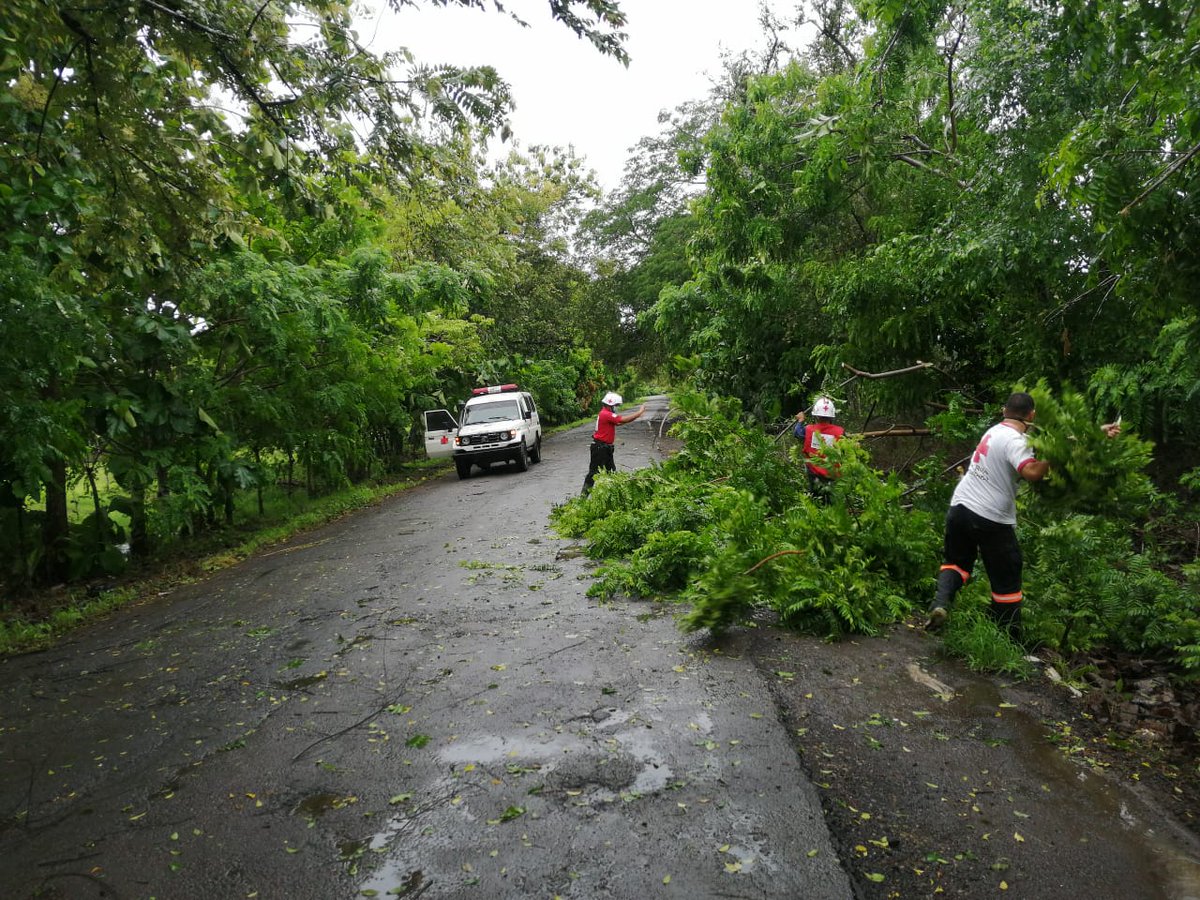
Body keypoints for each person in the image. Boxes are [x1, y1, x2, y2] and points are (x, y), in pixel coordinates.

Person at [925, 391, 1120, 638]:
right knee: (1008, 577)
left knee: (956, 562)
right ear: (1032, 415)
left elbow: (1061, 440)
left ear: (1005, 411)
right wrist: (1053, 456)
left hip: (961, 507)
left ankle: (941, 604)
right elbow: (1032, 472)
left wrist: (1096, 433)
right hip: (991, 517)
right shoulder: (1015, 441)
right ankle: (1008, 640)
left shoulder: (995, 431)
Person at [582, 391, 646, 495]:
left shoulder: (605, 414)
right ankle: (582, 498)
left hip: (605, 448)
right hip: (600, 448)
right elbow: (623, 419)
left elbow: (620, 422)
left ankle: (614, 495)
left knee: (611, 472)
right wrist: (639, 413)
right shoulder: (606, 414)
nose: (616, 408)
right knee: (593, 473)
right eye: (615, 405)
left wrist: (634, 417)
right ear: (610, 405)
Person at [794, 397, 845, 501]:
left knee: (816, 500)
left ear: (816, 415)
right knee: (832, 501)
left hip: (814, 474)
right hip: (833, 474)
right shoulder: (840, 432)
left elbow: (797, 433)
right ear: (832, 416)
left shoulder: (809, 429)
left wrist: (800, 420)